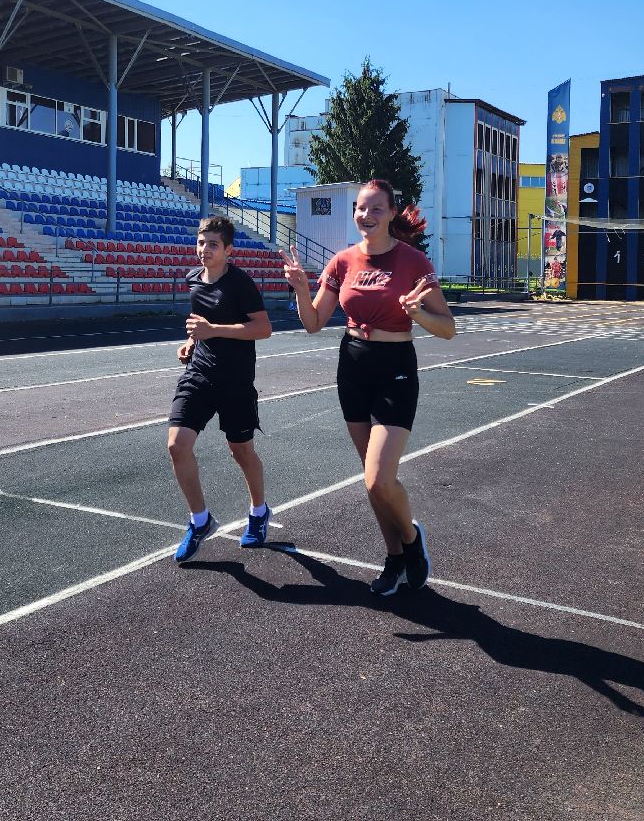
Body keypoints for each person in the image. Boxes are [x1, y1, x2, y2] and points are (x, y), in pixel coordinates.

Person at [281, 179, 456, 595]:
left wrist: (418, 314)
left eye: (376, 209)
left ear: (393, 213)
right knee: (369, 479)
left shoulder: (413, 263)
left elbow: (447, 328)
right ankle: (394, 559)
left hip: (396, 366)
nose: (366, 216)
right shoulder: (342, 262)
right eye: (361, 208)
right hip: (353, 366)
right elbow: (313, 323)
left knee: (379, 478)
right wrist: (303, 290)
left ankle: (412, 543)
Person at [169, 215, 275, 562]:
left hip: (236, 380)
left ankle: (259, 513)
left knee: (241, 452)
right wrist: (191, 341)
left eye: (212, 244)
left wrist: (213, 329)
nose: (203, 250)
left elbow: (262, 329)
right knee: (177, 445)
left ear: (229, 249)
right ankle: (199, 521)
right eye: (200, 243)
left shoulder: (240, 283)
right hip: (199, 374)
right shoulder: (192, 281)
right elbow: (199, 325)